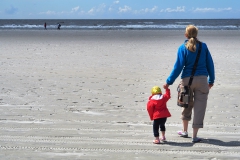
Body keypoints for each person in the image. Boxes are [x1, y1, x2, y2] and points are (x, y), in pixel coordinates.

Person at [164, 25, 215, 143]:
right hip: (202, 80)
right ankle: (195, 136)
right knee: (199, 108)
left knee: (186, 105)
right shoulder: (204, 46)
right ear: (196, 34)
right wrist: (211, 80)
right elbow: (210, 64)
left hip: (187, 81)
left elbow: (178, 67)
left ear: (186, 35)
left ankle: (185, 130)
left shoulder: (182, 48)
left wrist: (169, 81)